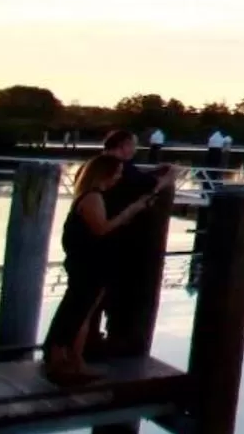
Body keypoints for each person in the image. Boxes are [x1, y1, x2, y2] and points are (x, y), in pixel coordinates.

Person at [42, 154, 158, 384]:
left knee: (81, 313)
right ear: (104, 173)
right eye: (116, 173)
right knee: (75, 311)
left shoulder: (94, 196)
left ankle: (74, 360)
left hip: (92, 264)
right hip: (87, 265)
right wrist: (131, 210)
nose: (118, 177)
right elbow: (101, 229)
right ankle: (60, 359)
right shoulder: (92, 197)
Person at [92, 127, 174, 357]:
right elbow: (145, 186)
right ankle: (109, 343)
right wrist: (167, 178)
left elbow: (137, 179)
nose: (135, 150)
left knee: (93, 296)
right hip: (113, 239)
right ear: (124, 145)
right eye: (133, 145)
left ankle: (87, 342)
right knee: (107, 294)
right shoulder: (117, 168)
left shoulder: (98, 164)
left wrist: (154, 173)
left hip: (98, 239)